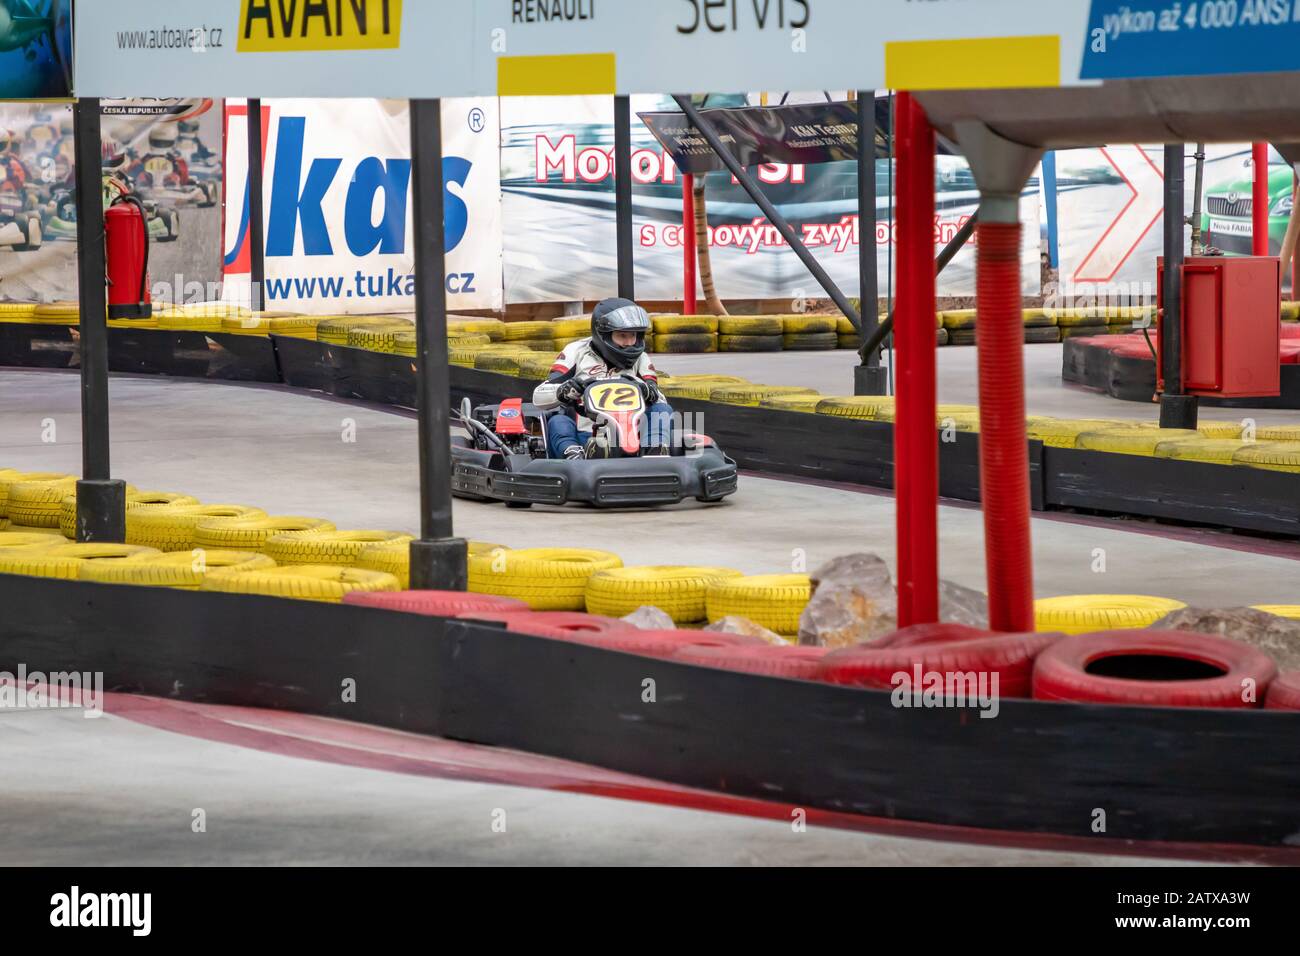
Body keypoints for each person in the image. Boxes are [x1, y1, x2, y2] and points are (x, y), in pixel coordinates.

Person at [533, 297, 674, 459]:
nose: (629, 343)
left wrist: (648, 391)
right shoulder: (576, 352)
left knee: (662, 410)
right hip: (585, 433)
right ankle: (575, 457)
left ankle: (654, 454)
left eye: (633, 335)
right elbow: (539, 396)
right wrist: (564, 391)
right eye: (622, 336)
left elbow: (661, 399)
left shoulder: (641, 358)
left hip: (632, 436)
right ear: (603, 334)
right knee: (558, 421)